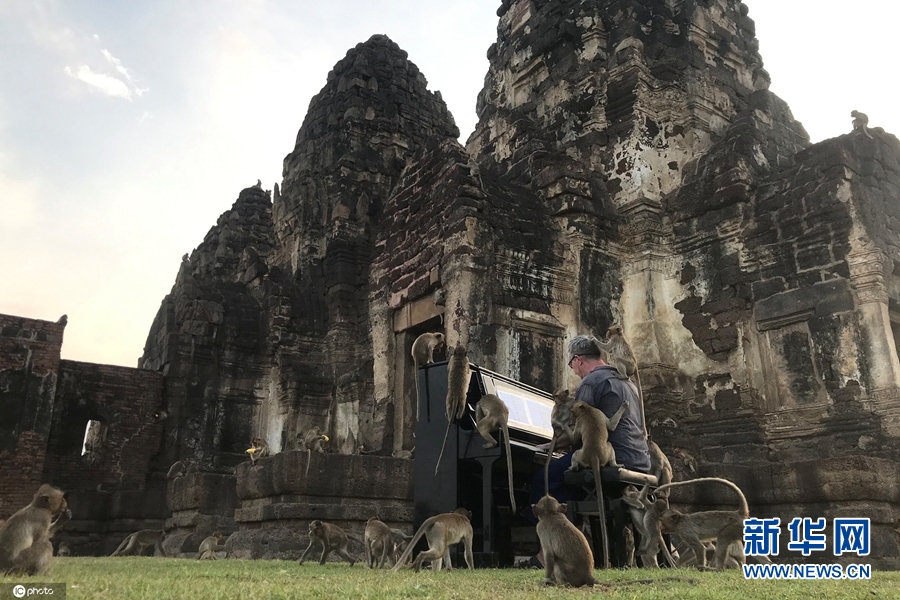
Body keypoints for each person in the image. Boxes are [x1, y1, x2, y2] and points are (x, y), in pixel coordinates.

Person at [529, 334, 651, 510]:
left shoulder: (590, 383)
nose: (574, 371)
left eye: (571, 365)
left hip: (610, 458)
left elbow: (578, 435)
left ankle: (554, 522)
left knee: (544, 477)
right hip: (640, 460)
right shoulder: (628, 383)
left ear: (578, 360)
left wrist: (547, 446)